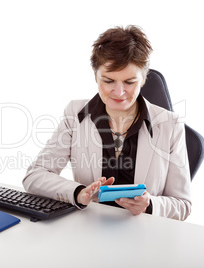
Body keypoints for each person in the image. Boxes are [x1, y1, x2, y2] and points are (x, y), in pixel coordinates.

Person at [22, 25, 191, 221]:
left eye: (129, 82)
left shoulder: (170, 125)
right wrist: (79, 193)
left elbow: (182, 204)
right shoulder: (75, 115)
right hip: (89, 228)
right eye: (109, 81)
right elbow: (34, 176)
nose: (119, 92)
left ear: (144, 78)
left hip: (144, 232)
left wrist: (150, 205)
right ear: (95, 75)